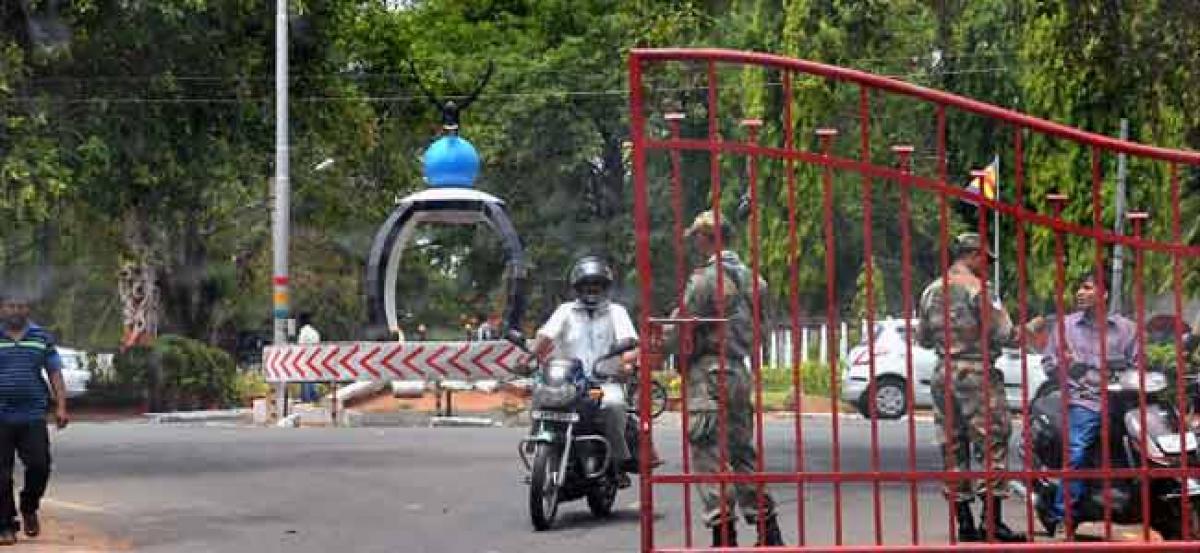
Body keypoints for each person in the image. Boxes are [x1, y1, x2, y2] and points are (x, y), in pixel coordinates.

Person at [666, 210, 784, 547]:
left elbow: (682, 324)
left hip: (708, 373)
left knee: (709, 453)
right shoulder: (753, 281)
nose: (694, 244)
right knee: (744, 453)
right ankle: (768, 531)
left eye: (697, 238)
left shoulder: (705, 280)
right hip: (738, 371)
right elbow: (763, 330)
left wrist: (655, 349)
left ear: (707, 238)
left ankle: (723, 535)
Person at [917, 232, 1039, 543]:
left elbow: (924, 338)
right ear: (973, 255)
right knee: (991, 443)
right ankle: (992, 523)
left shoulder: (931, 290)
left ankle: (965, 524)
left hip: (943, 373)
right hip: (976, 374)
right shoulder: (981, 290)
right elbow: (1005, 334)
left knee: (953, 445)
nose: (987, 266)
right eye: (985, 259)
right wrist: (1031, 329)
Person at [524, 256, 653, 485]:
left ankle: (616, 461)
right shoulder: (565, 311)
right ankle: (537, 451)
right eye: (587, 285)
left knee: (614, 404)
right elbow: (545, 337)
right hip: (569, 384)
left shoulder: (617, 312)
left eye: (597, 285)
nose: (592, 290)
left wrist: (628, 361)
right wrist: (530, 356)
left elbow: (630, 343)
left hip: (599, 386)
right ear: (578, 288)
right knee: (540, 395)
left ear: (605, 287)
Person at [1039, 272, 1138, 536]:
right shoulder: (1066, 327)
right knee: (1078, 453)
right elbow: (1049, 363)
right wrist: (1067, 368)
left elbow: (1140, 364)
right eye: (1078, 288)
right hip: (1086, 400)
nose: (1079, 293)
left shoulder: (1127, 329)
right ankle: (1064, 518)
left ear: (1103, 294)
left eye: (1087, 288)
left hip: (1125, 403)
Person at [0, 291, 69, 544]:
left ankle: (29, 507)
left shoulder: (41, 336)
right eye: (11, 306)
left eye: (21, 306)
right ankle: (5, 525)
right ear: (1, 309)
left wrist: (61, 406)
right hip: (1, 416)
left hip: (32, 414)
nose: (16, 310)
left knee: (40, 466)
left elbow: (55, 374)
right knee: (1, 475)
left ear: (27, 310)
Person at [296, 313, 321, 403]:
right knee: (312, 380)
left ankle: (307, 398)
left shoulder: (303, 332)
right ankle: (314, 397)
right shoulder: (314, 332)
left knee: (305, 379)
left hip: (306, 358)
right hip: (315, 358)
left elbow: (300, 346)